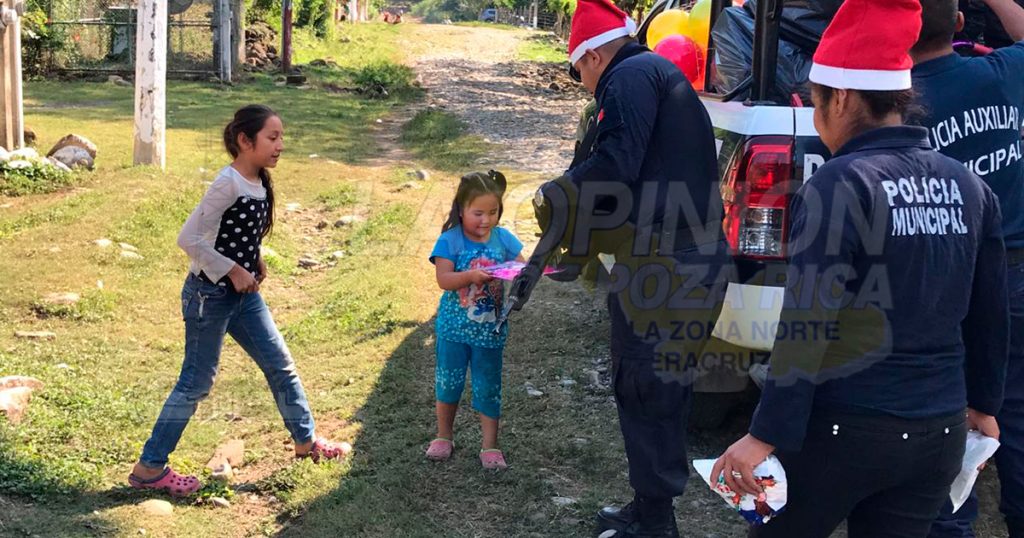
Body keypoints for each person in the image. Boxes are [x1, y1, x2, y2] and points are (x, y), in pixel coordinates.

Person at [712, 0, 1010, 536]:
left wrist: (764, 434)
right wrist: (985, 405)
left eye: (816, 100)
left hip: (845, 428)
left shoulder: (841, 183)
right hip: (938, 432)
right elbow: (991, 313)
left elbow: (807, 321)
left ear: (842, 96)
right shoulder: (969, 185)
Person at [516, 0, 730, 534]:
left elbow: (613, 166)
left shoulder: (628, 77)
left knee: (644, 387)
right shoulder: (654, 73)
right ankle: (652, 507)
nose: (583, 84)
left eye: (578, 71)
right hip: (693, 257)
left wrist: (556, 191)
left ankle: (655, 523)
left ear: (592, 56)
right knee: (663, 389)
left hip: (667, 267)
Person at [128, 105, 350, 497]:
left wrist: (254, 259)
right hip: (209, 296)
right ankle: (150, 468)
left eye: (281, 137)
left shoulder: (258, 181)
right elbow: (189, 239)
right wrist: (233, 270)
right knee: (196, 383)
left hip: (244, 298)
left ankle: (306, 443)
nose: (280, 145)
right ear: (245, 141)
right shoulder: (226, 183)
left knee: (280, 365)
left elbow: (236, 233)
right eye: (272, 137)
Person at [911, 0, 1024, 536]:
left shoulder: (895, 104)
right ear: (958, 23)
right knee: (1016, 409)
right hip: (1015, 271)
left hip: (943, 280)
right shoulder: (1000, 74)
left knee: (945, 414)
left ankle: (950, 524)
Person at [426, 171, 524, 470]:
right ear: (461, 209)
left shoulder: (503, 238)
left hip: (490, 333)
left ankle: (490, 445)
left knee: (488, 386)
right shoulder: (450, 240)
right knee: (449, 383)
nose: (486, 220)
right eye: (478, 213)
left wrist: (519, 273)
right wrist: (470, 276)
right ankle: (444, 436)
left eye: (492, 212)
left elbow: (521, 267)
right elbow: (443, 279)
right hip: (453, 331)